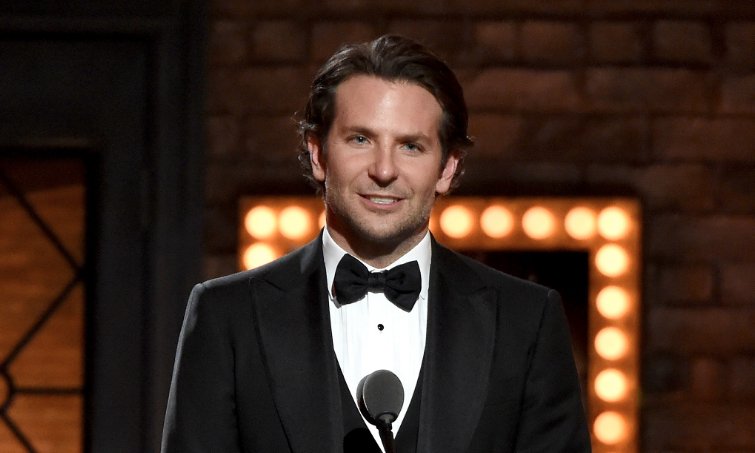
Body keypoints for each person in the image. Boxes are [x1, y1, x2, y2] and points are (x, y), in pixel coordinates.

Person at [161, 34, 591, 453]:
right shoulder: (227, 316)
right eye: (361, 140)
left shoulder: (526, 321)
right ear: (318, 153)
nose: (384, 170)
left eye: (411, 146)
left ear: (447, 167)